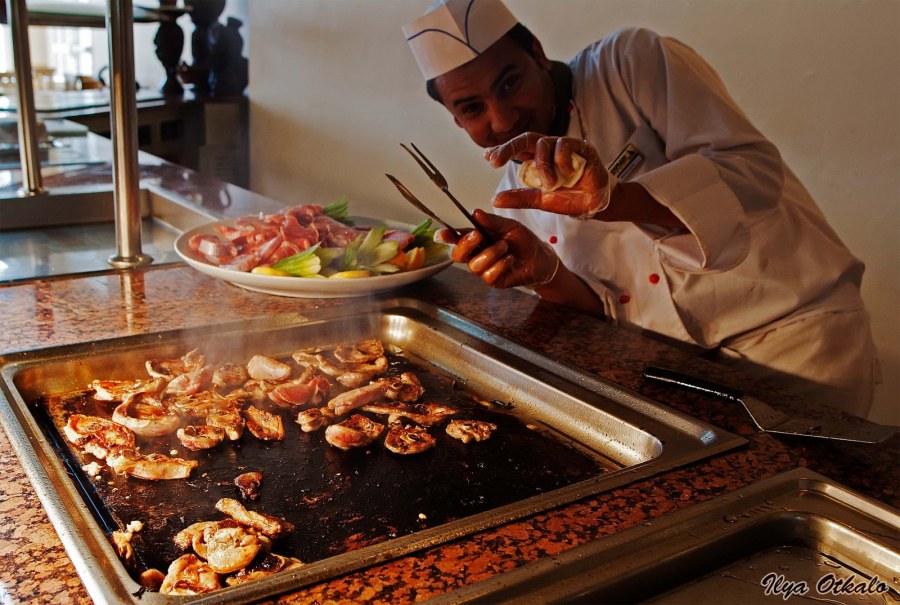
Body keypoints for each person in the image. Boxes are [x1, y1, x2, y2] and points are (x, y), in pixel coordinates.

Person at [401, 0, 880, 417]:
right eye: (471, 108)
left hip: (795, 344)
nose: (502, 117)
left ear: (538, 54)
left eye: (509, 83)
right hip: (680, 375)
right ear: (455, 119)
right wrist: (545, 273)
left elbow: (754, 173)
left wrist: (615, 198)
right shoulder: (516, 196)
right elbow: (607, 312)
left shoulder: (627, 64)